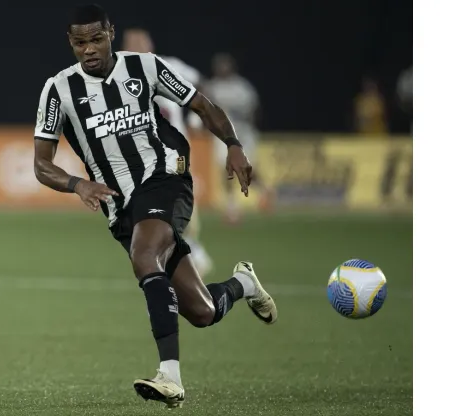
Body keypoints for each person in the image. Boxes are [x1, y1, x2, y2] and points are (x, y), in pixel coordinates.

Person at [32, 4, 278, 408]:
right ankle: (245, 284)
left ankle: (170, 377)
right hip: (121, 206)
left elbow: (201, 103)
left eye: (96, 39)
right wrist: (78, 184)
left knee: (145, 256)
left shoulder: (144, 67)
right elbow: (42, 164)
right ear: (70, 43)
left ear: (111, 32)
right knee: (202, 312)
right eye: (80, 42)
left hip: (165, 178)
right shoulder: (58, 90)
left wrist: (233, 144)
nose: (89, 49)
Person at [120, 27, 214, 277]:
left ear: (150, 42)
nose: (136, 45)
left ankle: (191, 250)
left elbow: (200, 82)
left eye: (140, 40)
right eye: (131, 42)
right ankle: (177, 252)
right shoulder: (119, 74)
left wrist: (196, 120)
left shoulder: (168, 65)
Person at [193, 53, 272, 223]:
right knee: (225, 168)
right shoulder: (212, 87)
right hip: (224, 134)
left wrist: (250, 125)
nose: (223, 70)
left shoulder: (242, 87)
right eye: (220, 67)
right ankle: (232, 208)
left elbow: (255, 110)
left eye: (225, 66)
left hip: (243, 132)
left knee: (246, 167)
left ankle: (265, 191)